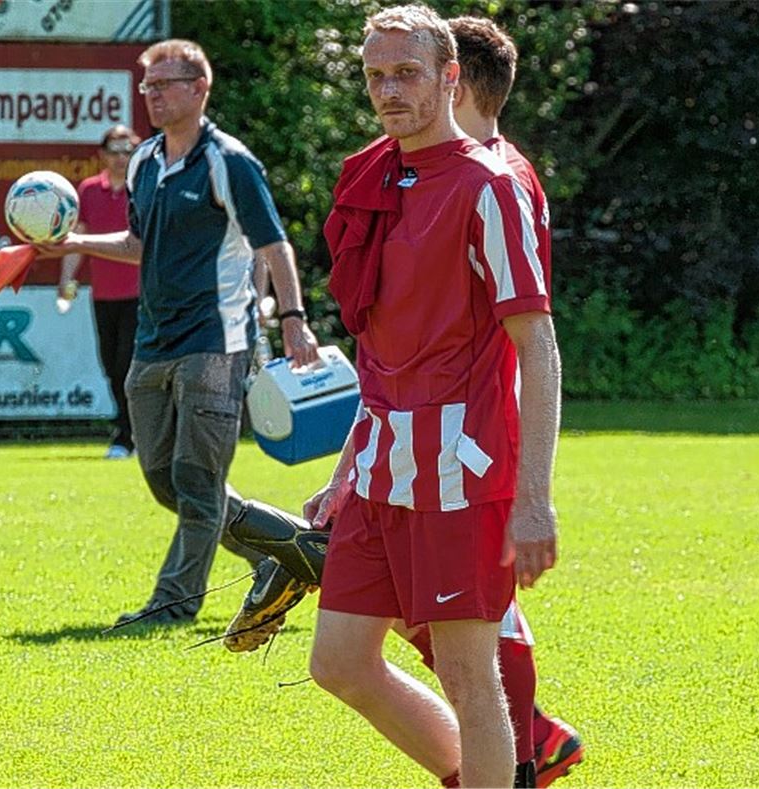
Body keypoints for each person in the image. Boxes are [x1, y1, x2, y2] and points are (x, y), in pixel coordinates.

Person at [220, 15, 581, 788]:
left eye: (406, 74)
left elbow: (538, 346)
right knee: (340, 661)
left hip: (462, 467)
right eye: (375, 75)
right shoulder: (371, 173)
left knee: (466, 671)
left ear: (451, 77)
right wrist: (348, 467)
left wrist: (535, 497)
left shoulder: (490, 184)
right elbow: (383, 357)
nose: (388, 91)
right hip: (381, 468)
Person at [37, 38, 320, 625]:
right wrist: (74, 242)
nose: (152, 96)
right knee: (164, 479)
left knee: (197, 477)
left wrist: (292, 320)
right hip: (153, 339)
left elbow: (273, 245)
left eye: (163, 85)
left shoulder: (229, 161)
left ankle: (172, 604)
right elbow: (139, 244)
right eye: (147, 86)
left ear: (199, 89)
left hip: (217, 341)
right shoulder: (143, 162)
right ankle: (287, 547)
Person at [58, 125, 144, 460]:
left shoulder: (142, 189)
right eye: (115, 151)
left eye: (127, 150)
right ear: (103, 155)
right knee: (110, 365)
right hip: (103, 295)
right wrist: (68, 278)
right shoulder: (89, 190)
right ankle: (128, 431)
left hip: (141, 294)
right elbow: (77, 239)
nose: (121, 158)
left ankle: (127, 436)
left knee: (127, 365)